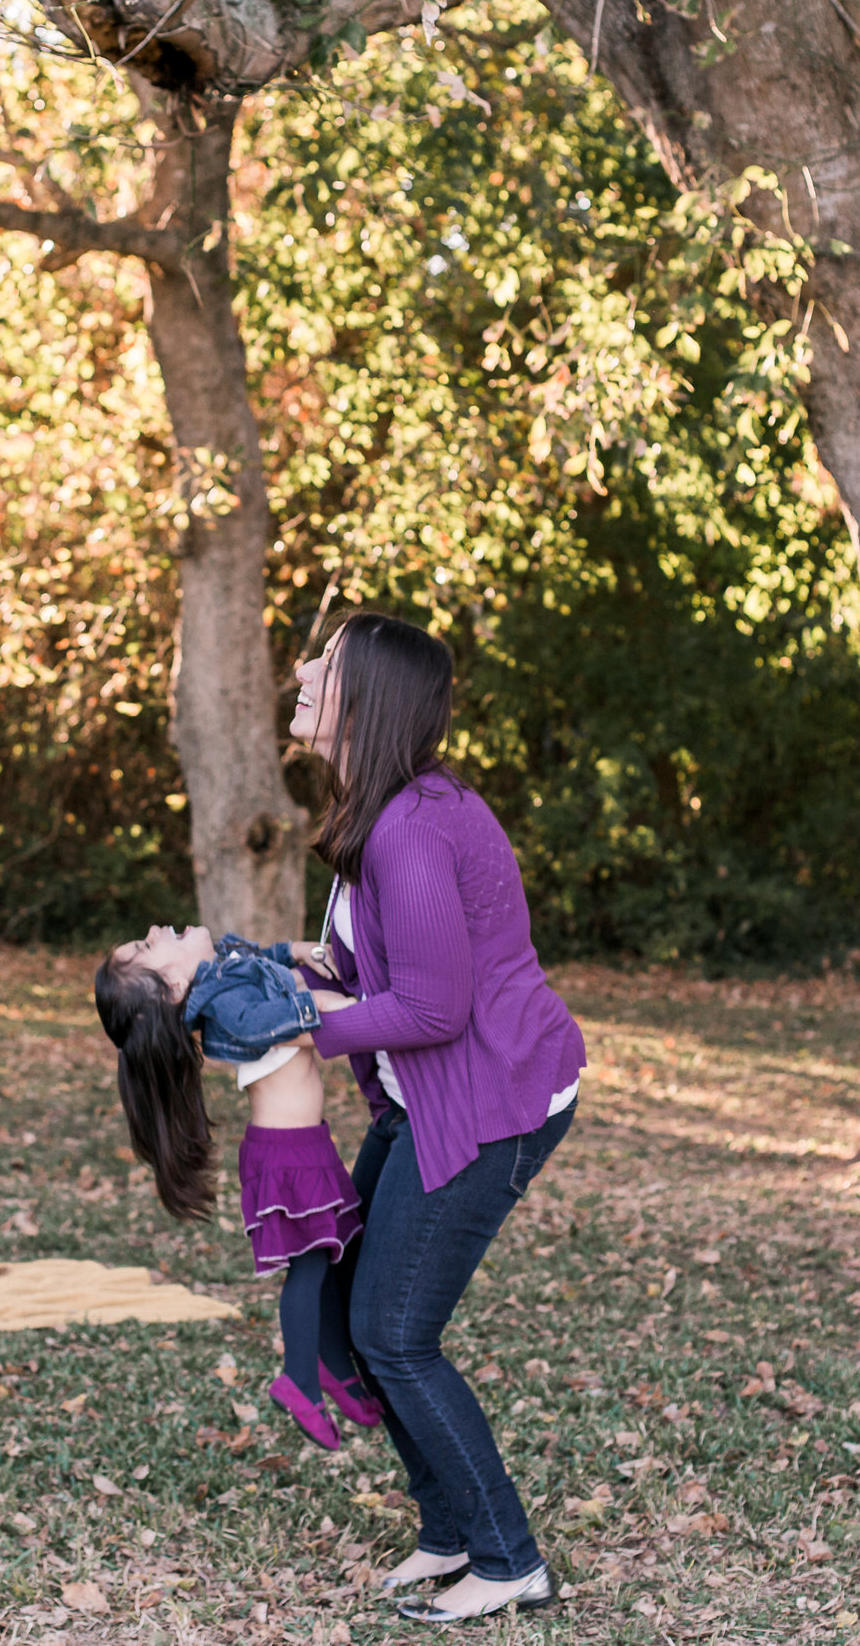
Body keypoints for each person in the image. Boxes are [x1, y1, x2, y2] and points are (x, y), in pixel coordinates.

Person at [291, 611, 587, 1625]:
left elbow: (430, 1007)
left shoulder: (412, 825)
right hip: (439, 1090)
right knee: (358, 1315)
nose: (299, 672)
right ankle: (449, 1532)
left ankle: (509, 1556)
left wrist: (303, 1024)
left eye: (321, 666)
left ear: (364, 700)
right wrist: (285, 966)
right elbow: (376, 965)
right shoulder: (384, 809)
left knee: (391, 1328)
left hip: (490, 1097)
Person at [94, 929, 385, 1449]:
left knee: (340, 1253)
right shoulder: (227, 1004)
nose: (156, 931)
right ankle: (298, 1377)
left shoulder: (221, 973)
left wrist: (294, 953)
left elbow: (250, 958)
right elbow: (259, 1023)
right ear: (177, 986)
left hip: (303, 1144)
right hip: (286, 1156)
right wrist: (318, 1003)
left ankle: (334, 1369)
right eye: (145, 948)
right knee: (312, 1265)